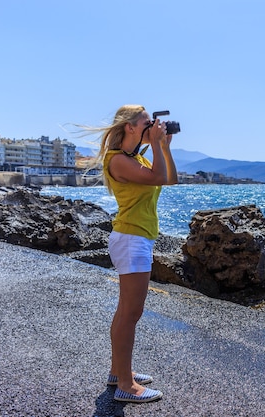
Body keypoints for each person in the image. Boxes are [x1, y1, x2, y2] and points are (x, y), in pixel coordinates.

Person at [97, 104, 178, 403]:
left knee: (127, 311)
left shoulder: (136, 157)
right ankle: (127, 386)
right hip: (131, 239)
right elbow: (159, 176)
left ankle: (119, 373)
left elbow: (169, 178)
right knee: (131, 313)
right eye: (147, 123)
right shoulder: (117, 160)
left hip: (137, 237)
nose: (153, 126)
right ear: (130, 127)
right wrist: (157, 144)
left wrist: (164, 146)